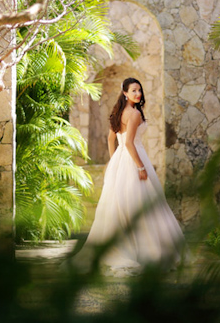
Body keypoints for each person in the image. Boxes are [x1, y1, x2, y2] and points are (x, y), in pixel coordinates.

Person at [65, 77, 189, 276]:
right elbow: (130, 143)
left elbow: (111, 139)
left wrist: (115, 160)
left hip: (121, 160)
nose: (138, 94)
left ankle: (122, 248)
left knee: (121, 205)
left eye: (139, 90)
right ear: (125, 93)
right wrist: (140, 167)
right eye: (133, 90)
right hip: (134, 159)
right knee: (142, 205)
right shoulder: (134, 114)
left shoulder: (119, 112)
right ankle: (148, 252)